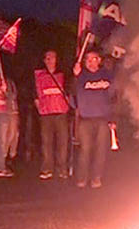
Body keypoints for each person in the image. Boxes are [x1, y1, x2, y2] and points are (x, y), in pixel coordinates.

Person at [73, 48, 116, 188]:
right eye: (88, 60)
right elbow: (72, 95)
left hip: (103, 119)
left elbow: (113, 98)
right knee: (85, 150)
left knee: (101, 150)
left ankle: (96, 178)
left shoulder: (107, 76)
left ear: (99, 60)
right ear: (84, 62)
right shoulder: (80, 76)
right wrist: (75, 76)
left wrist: (113, 119)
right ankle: (82, 178)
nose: (91, 62)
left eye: (94, 59)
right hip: (85, 120)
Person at [34, 50, 71, 180]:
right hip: (46, 114)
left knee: (62, 142)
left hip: (61, 113)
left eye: (53, 57)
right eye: (48, 57)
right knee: (46, 142)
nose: (50, 60)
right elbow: (34, 92)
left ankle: (62, 168)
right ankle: (47, 168)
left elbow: (69, 91)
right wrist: (38, 105)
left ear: (57, 59)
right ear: (44, 60)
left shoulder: (63, 74)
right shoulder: (38, 75)